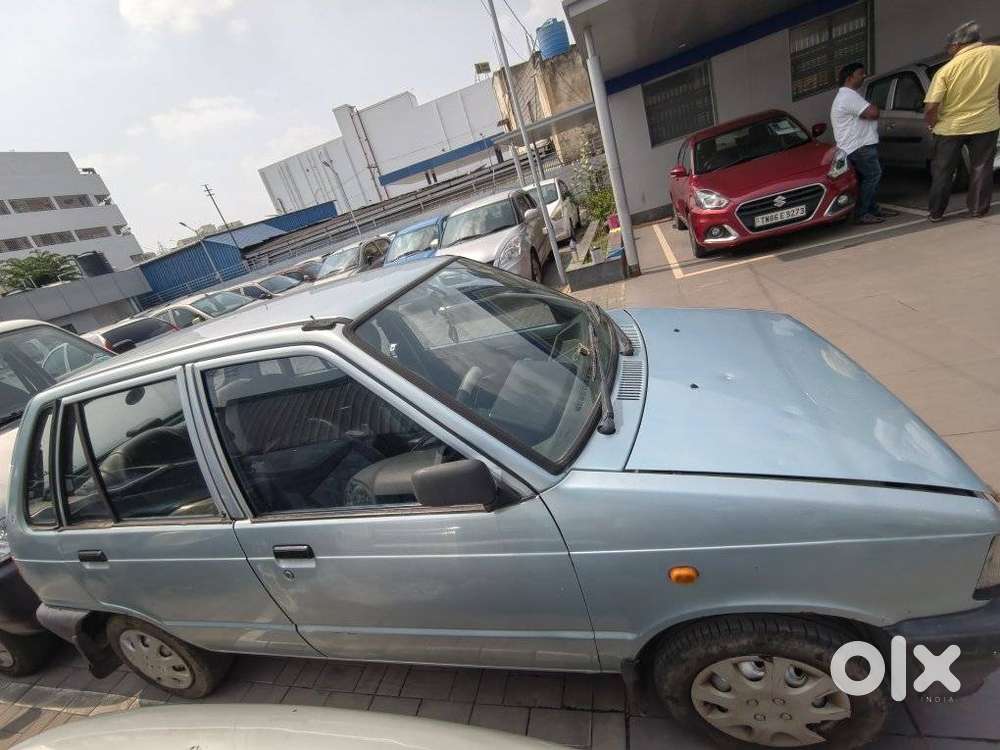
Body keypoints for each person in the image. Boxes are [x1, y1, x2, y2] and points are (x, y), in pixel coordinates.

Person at [924, 21, 1000, 221]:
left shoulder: (947, 70)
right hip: (987, 123)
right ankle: (977, 209)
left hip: (950, 128)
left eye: (949, 47)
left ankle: (936, 213)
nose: (948, 50)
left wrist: (932, 123)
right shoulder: (996, 54)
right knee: (982, 167)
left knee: (943, 171)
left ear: (957, 45)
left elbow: (931, 106)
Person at [830, 63, 898, 224]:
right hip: (859, 146)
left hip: (855, 146)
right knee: (873, 176)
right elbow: (873, 113)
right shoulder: (848, 96)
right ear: (849, 78)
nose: (864, 76)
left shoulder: (848, 96)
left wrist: (867, 112)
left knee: (867, 178)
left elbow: (867, 114)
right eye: (860, 73)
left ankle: (873, 209)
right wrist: (873, 108)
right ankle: (863, 212)